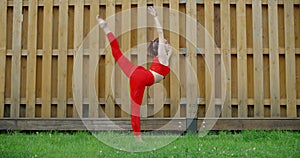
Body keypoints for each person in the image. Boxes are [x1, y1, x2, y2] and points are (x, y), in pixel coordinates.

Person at [96, 6, 172, 142]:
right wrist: (155, 16)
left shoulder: (162, 57)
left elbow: (168, 55)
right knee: (135, 108)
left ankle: (105, 28)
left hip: (138, 72)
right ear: (160, 46)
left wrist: (169, 50)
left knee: (117, 54)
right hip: (141, 77)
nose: (167, 43)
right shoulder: (162, 56)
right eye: (165, 43)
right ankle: (138, 139)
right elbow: (160, 33)